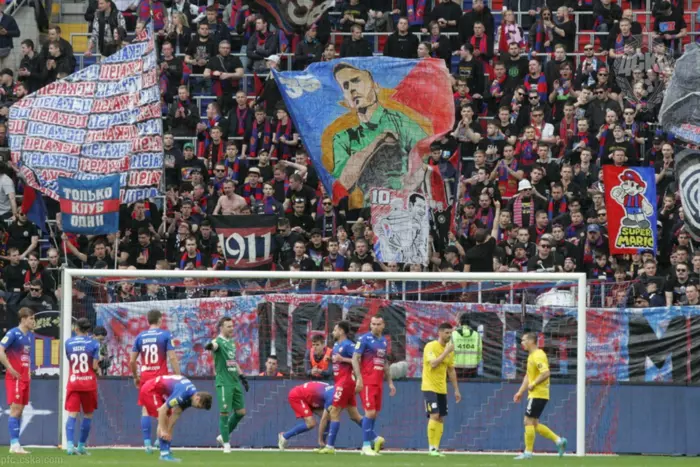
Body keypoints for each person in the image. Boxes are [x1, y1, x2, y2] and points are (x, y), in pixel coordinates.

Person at [328, 62, 428, 206]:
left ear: (376, 86)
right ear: (346, 99)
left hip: (404, 204)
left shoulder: (401, 122)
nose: (351, 89)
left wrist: (404, 195)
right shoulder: (343, 138)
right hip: (370, 209)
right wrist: (378, 141)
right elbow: (345, 183)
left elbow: (426, 160)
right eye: (346, 86)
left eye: (356, 80)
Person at [128, 309, 181, 454]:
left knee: (145, 409)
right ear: (159, 320)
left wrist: (135, 377)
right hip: (161, 378)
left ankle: (147, 445)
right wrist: (178, 376)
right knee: (165, 409)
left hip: (145, 378)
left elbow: (132, 361)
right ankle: (160, 439)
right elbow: (172, 357)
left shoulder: (140, 337)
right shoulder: (165, 335)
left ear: (147, 321)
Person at [513, 332, 567, 459]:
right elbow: (528, 376)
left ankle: (528, 453)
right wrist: (520, 391)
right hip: (538, 394)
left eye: (524, 340)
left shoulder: (538, 355)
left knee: (527, 421)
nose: (522, 343)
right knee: (534, 424)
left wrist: (534, 384)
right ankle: (559, 441)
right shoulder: (532, 356)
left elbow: (546, 373)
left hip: (538, 393)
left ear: (531, 341)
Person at [138, 375, 212, 462]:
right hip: (150, 390)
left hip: (160, 391)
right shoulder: (183, 394)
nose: (197, 408)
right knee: (164, 417)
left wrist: (168, 432)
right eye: (199, 406)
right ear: (197, 399)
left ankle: (165, 447)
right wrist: (164, 431)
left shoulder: (191, 396)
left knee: (168, 420)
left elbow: (176, 414)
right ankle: (164, 454)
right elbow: (162, 410)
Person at [352, 315, 396, 456]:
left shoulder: (384, 341)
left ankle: (373, 441)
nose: (375, 326)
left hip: (378, 382)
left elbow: (385, 363)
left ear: (383, 325)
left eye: (378, 324)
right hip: (367, 381)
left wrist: (390, 382)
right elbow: (355, 358)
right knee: (369, 412)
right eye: (373, 324)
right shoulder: (364, 339)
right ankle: (366, 446)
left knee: (374, 414)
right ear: (370, 325)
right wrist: (359, 378)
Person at [204, 316, 249, 454]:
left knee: (241, 412)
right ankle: (226, 444)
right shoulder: (218, 342)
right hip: (224, 383)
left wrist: (242, 376)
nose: (231, 328)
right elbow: (213, 345)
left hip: (234, 381)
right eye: (228, 326)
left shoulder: (231, 343)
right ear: (221, 328)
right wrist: (210, 346)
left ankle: (222, 436)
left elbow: (233, 362)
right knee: (224, 412)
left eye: (232, 326)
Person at [316, 321, 357, 454]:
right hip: (339, 381)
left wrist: (343, 359)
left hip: (345, 382)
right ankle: (374, 438)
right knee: (354, 415)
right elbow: (337, 361)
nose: (333, 332)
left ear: (341, 331)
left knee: (333, 412)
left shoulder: (349, 345)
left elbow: (358, 360)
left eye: (335, 330)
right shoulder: (335, 345)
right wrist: (331, 360)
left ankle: (330, 446)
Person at [421, 322, 461, 457]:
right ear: (439, 333)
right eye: (446, 333)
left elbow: (451, 370)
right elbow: (433, 363)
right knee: (434, 415)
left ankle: (436, 448)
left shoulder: (449, 350)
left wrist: (456, 389)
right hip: (429, 386)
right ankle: (431, 448)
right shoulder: (431, 346)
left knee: (440, 418)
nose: (449, 335)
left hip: (442, 388)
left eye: (450, 333)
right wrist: (446, 352)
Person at [0, 308, 35, 454]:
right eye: (31, 318)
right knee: (15, 409)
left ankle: (16, 444)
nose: (33, 321)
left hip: (24, 378)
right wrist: (9, 368)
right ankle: (14, 445)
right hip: (15, 377)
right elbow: (0, 350)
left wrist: (28, 371)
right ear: (23, 319)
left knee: (20, 410)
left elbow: (25, 356)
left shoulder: (29, 336)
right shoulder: (13, 333)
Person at [64, 318, 100, 455]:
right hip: (88, 383)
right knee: (88, 414)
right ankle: (81, 446)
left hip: (74, 382)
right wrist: (97, 370)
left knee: (72, 414)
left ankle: (69, 446)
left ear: (76, 328)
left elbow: (70, 359)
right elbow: (94, 366)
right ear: (88, 329)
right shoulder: (94, 343)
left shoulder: (68, 343)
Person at [451, 313, 483, 379]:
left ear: (460, 322)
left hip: (456, 367)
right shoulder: (477, 335)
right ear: (469, 322)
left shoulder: (453, 334)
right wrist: (475, 362)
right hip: (472, 368)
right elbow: (480, 352)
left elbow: (448, 351)